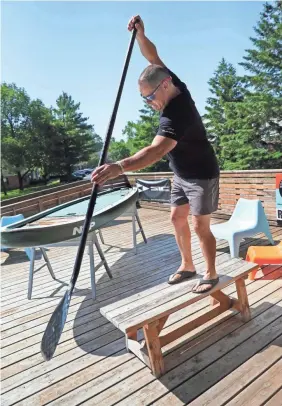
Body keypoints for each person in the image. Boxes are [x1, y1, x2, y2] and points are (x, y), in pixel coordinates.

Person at [91, 15, 220, 293]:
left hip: (201, 174)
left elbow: (155, 151)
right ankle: (188, 265)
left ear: (163, 86)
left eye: (149, 97)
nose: (149, 104)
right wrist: (141, 34)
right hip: (181, 172)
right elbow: (153, 57)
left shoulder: (177, 114)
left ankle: (210, 273)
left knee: (200, 225)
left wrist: (119, 167)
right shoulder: (171, 80)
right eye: (143, 99)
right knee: (176, 218)